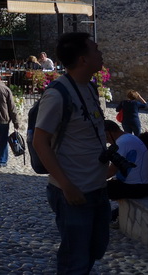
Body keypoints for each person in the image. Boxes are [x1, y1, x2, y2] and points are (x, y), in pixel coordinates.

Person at [32, 32, 109, 274]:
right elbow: (40, 141)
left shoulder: (90, 87)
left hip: (96, 187)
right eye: (95, 49)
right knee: (74, 259)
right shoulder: (57, 94)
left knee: (96, 248)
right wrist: (66, 185)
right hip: (73, 191)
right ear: (83, 59)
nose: (101, 53)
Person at [103, 120, 148, 200]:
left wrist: (92, 181)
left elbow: (111, 171)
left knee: (96, 191)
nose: (107, 141)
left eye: (105, 138)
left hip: (137, 187)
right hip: (146, 184)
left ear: (108, 133)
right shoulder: (129, 137)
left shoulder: (121, 143)